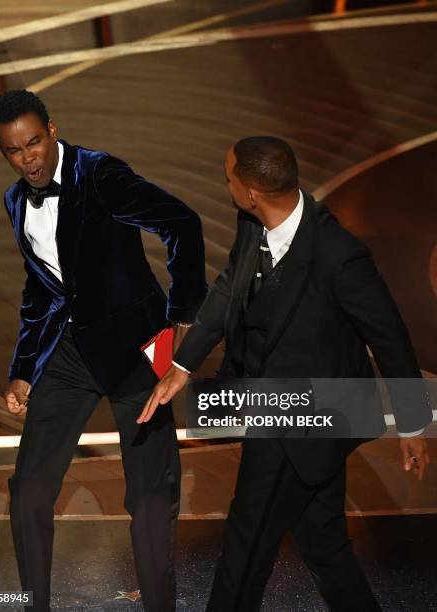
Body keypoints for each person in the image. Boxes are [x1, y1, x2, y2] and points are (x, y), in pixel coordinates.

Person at [139, 136, 432, 611]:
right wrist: (183, 363)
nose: (226, 183)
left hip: (310, 416)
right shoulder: (252, 223)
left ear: (252, 191)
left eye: (229, 177)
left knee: (245, 544)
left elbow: (389, 335)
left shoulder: (339, 255)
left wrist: (414, 423)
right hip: (266, 402)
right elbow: (230, 287)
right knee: (322, 542)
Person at [0, 89, 207, 612]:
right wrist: (23, 370)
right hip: (68, 353)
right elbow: (41, 288)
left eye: (35, 143)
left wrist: (181, 318)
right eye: (14, 151)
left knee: (151, 497)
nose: (28, 158)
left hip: (141, 347)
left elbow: (182, 224)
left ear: (52, 129)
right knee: (31, 491)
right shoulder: (17, 200)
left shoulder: (100, 174)